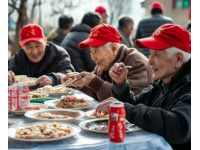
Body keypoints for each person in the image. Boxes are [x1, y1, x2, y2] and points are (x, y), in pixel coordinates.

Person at [96, 24, 191, 150]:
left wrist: (126, 109)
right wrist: (120, 84)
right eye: (150, 53)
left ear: (178, 59)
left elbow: (179, 127)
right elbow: (134, 106)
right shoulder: (161, 82)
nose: (149, 60)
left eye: (156, 54)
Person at [61, 24, 152, 101]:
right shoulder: (103, 64)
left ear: (114, 48)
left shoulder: (136, 63)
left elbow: (126, 102)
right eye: (90, 51)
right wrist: (75, 82)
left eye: (96, 50)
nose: (93, 57)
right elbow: (93, 92)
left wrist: (94, 82)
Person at [8, 24, 75, 86]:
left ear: (45, 41)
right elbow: (10, 70)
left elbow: (68, 73)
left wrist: (53, 79)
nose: (34, 51)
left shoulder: (59, 54)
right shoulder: (17, 58)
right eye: (29, 47)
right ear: (22, 46)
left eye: (38, 46)